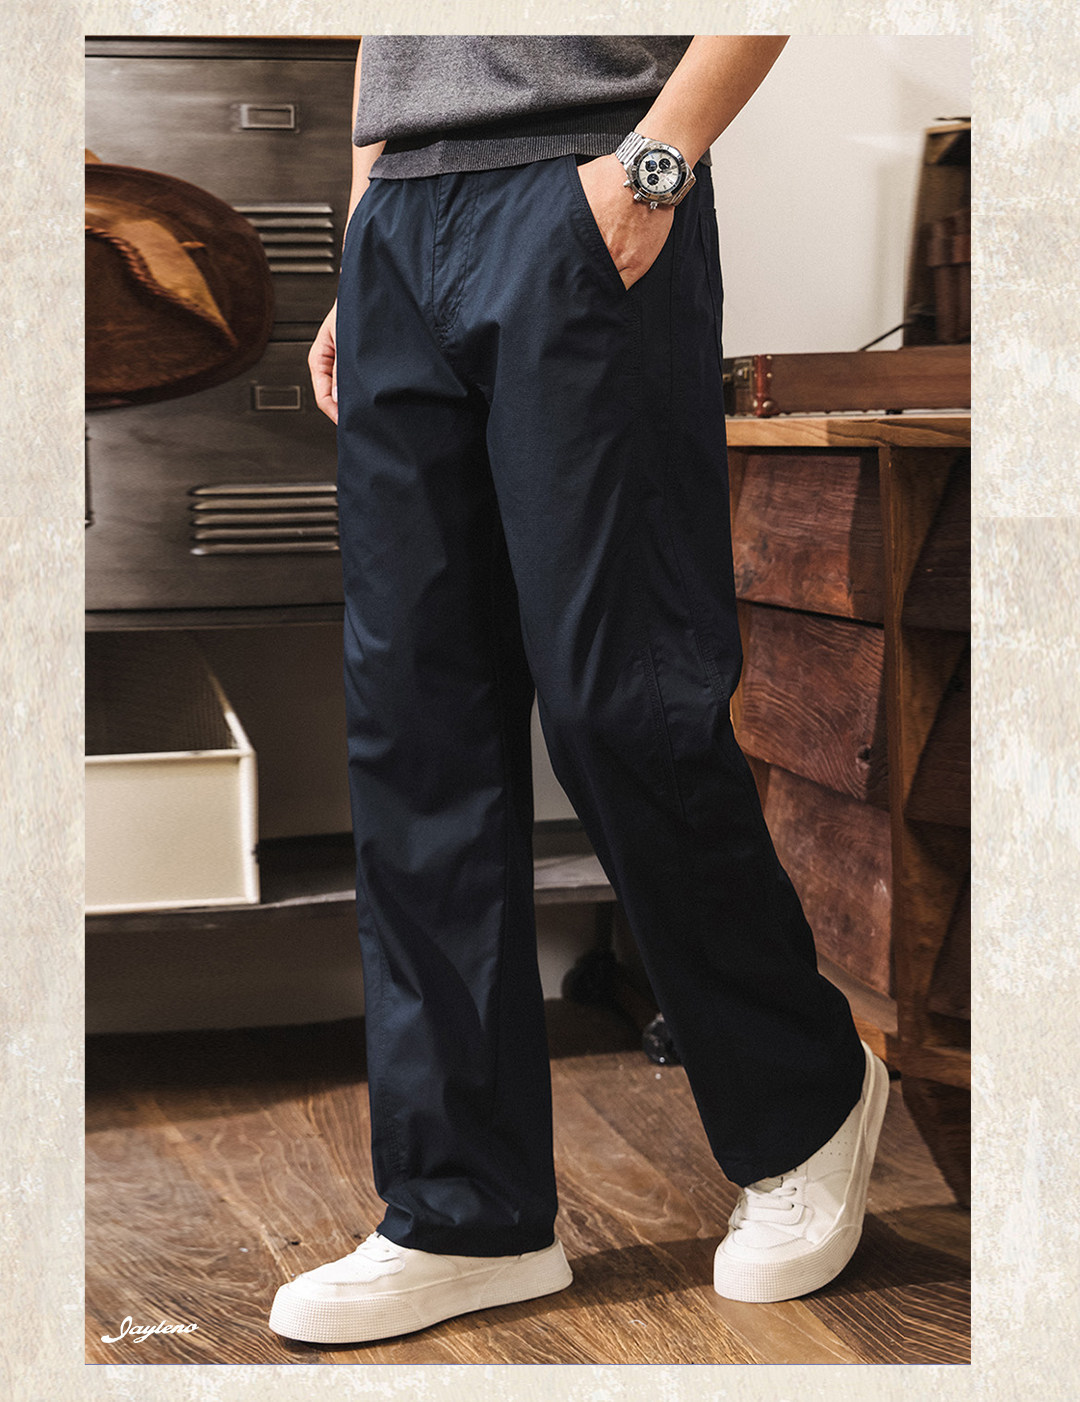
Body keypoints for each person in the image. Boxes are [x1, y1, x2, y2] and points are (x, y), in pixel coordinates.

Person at [268, 35, 890, 1348]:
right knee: (414, 729)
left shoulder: (622, 181)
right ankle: (465, 1211)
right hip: (403, 217)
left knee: (629, 701)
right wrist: (368, 213)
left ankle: (806, 1102)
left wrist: (654, 165)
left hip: (588, 178)